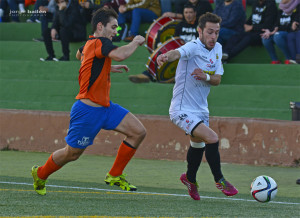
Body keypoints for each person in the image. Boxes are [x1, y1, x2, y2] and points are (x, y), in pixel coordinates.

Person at [31, 7, 147, 196]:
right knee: (72, 154)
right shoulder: (100, 42)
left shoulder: (91, 44)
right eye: (113, 27)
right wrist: (135, 41)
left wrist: (104, 67)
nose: (115, 31)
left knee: (138, 132)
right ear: (100, 26)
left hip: (106, 109)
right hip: (87, 110)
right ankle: (40, 173)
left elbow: (80, 56)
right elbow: (120, 54)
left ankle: (115, 174)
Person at [156, 12, 238, 200]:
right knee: (212, 138)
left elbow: (217, 80)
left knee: (197, 146)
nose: (213, 36)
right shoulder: (193, 46)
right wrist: (165, 56)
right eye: (209, 32)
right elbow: (178, 53)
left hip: (201, 109)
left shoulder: (217, 48)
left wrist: (206, 77)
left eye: (216, 32)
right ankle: (220, 179)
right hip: (181, 109)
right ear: (199, 31)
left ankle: (190, 179)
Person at [129, 3, 199, 83]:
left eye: (190, 12)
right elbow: (175, 41)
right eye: (186, 13)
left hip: (193, 56)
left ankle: (174, 77)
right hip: (180, 53)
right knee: (162, 55)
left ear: (195, 13)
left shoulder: (199, 27)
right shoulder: (179, 25)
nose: (188, 15)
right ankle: (147, 75)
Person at [261, 0, 299, 64]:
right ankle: (275, 60)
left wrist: (277, 29)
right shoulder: (281, 7)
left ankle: (289, 58)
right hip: (279, 31)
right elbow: (276, 22)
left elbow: (293, 26)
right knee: (265, 38)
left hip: (289, 32)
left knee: (277, 36)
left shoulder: (297, 6)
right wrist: (271, 31)